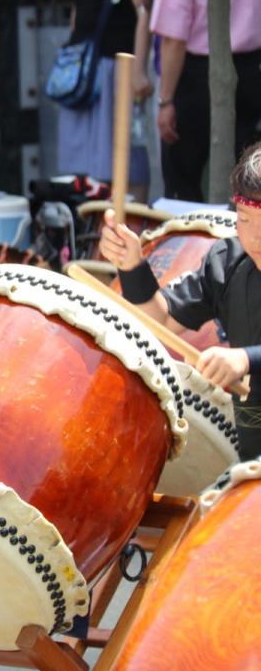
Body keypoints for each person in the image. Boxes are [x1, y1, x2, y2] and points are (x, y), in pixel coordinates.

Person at [102, 142, 261, 458]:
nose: (254, 235)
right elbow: (159, 321)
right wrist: (132, 266)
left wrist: (247, 358)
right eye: (244, 219)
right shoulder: (227, 263)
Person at [151, 0, 261, 201]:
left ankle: (190, 246)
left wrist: (166, 100)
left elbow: (173, 40)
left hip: (198, 76)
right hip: (253, 72)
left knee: (182, 181)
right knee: (249, 175)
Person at [55, 0, 157, 202]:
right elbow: (78, 12)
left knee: (127, 163)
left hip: (117, 71)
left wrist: (138, 71)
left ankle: (129, 226)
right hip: (85, 74)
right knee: (83, 169)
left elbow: (144, 12)